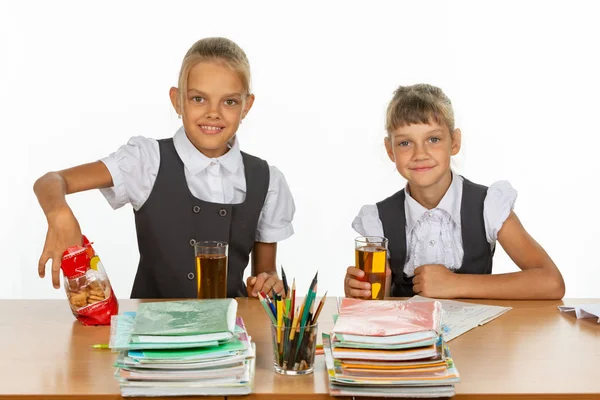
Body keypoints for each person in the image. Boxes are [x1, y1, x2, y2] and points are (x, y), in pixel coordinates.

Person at [34, 37, 295, 299]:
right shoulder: (147, 161)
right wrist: (59, 215)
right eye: (198, 99)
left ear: (246, 106)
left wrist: (268, 282)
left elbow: (265, 273)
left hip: (229, 335)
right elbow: (51, 181)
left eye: (229, 102)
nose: (213, 113)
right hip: (151, 335)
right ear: (177, 101)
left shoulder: (266, 180)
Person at [345, 84, 565, 300]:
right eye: (405, 143)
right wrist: (362, 292)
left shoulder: (487, 206)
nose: (420, 154)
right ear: (390, 150)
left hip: (478, 336)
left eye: (433, 139)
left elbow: (551, 282)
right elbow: (378, 301)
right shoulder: (378, 219)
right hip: (410, 336)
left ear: (455, 142)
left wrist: (455, 283)